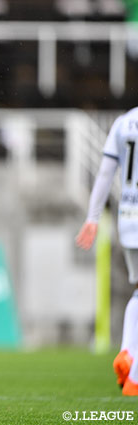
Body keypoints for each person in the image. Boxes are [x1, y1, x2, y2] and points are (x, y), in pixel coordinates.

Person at [75, 106, 138, 396]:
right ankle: (133, 372)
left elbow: (104, 173)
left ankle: (127, 351)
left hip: (129, 218)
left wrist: (93, 218)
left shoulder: (124, 121)